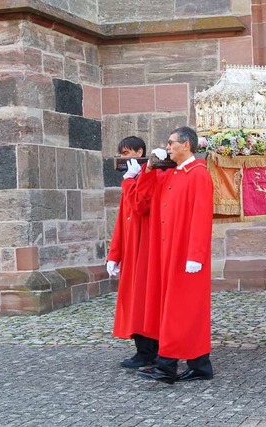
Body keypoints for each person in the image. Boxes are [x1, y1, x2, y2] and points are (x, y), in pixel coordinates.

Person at [134, 126, 214, 384]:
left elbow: (201, 217)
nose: (167, 147)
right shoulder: (172, 173)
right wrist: (148, 169)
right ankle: (200, 365)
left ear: (186, 145)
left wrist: (196, 255)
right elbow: (143, 201)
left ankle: (166, 366)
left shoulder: (199, 174)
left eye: (171, 143)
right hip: (167, 253)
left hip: (186, 254)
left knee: (181, 311)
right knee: (178, 309)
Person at [106, 136, 159, 369]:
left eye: (127, 153)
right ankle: (142, 349)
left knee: (144, 301)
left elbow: (140, 205)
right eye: (122, 154)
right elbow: (122, 219)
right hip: (132, 249)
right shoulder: (131, 179)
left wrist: (129, 182)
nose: (124, 158)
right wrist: (114, 254)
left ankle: (151, 350)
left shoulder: (149, 175)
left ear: (139, 153)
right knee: (133, 302)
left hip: (146, 248)